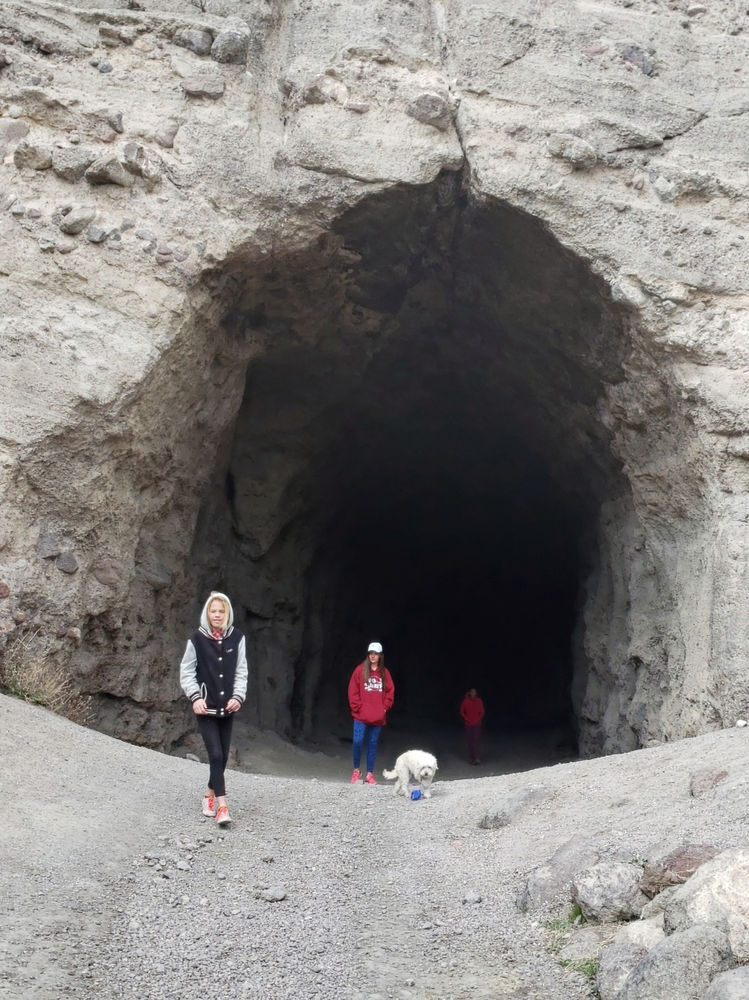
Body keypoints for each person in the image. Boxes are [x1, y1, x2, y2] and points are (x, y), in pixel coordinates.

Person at [180, 591, 248, 826]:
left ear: (227, 613)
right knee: (216, 754)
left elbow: (241, 670)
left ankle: (208, 794)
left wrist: (239, 696)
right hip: (205, 708)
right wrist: (195, 697)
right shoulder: (196, 639)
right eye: (213, 611)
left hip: (228, 707)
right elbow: (187, 671)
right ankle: (222, 806)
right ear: (206, 613)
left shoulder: (237, 638)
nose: (217, 615)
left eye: (221, 611)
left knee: (222, 759)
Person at [347, 641, 395, 784]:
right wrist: (357, 707)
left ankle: (369, 774)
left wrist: (384, 707)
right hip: (361, 716)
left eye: (376, 654)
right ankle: (356, 770)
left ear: (380, 656)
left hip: (377, 716)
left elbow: (390, 691)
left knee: (372, 744)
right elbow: (353, 690)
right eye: (370, 653)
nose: (373, 656)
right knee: (357, 741)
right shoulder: (360, 670)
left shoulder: (384, 673)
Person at [460, 687, 485, 765]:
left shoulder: (479, 701)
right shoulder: (465, 701)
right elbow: (462, 711)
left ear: (476, 693)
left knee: (476, 740)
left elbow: (482, 711)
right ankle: (471, 758)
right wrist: (467, 719)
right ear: (470, 693)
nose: (473, 693)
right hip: (468, 724)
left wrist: (478, 719)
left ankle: (476, 757)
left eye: (475, 692)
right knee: (470, 741)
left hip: (477, 723)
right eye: (472, 692)